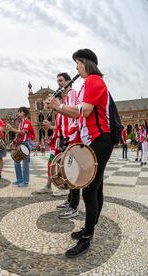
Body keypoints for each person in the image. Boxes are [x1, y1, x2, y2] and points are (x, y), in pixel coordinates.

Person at [45, 48, 114, 258]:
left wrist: (59, 106)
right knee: (96, 188)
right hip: (93, 140)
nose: (76, 67)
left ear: (86, 62)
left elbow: (84, 112)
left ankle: (86, 238)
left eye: (78, 62)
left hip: (100, 141)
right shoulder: (87, 84)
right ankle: (89, 228)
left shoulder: (95, 81)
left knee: (89, 191)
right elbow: (82, 119)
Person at [7, 107, 35, 187]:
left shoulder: (27, 122)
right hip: (21, 144)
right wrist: (14, 142)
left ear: (24, 113)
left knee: (25, 163)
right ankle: (19, 179)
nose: (18, 114)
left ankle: (25, 182)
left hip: (26, 144)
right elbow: (19, 135)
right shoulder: (21, 123)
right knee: (16, 162)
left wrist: (12, 129)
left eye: (19, 112)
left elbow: (23, 133)